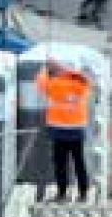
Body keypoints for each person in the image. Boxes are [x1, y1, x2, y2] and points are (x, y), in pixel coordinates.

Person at [36, 59, 92, 202]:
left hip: (59, 131)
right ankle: (83, 193)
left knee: (61, 163)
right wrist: (65, 69)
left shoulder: (53, 84)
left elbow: (40, 84)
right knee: (79, 162)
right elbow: (84, 78)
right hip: (77, 130)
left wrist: (44, 69)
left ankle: (62, 193)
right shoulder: (81, 84)